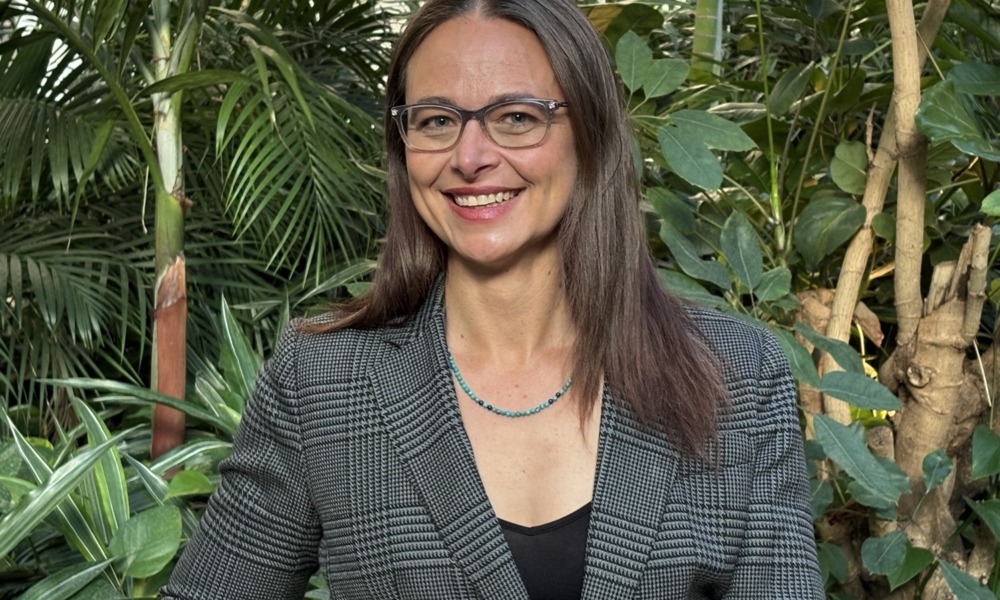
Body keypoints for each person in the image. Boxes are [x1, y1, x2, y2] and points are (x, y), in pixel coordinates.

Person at [161, 0, 823, 598]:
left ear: (589, 137)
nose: (470, 156)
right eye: (437, 120)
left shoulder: (736, 376)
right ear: (404, 145)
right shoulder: (323, 382)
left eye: (515, 117)